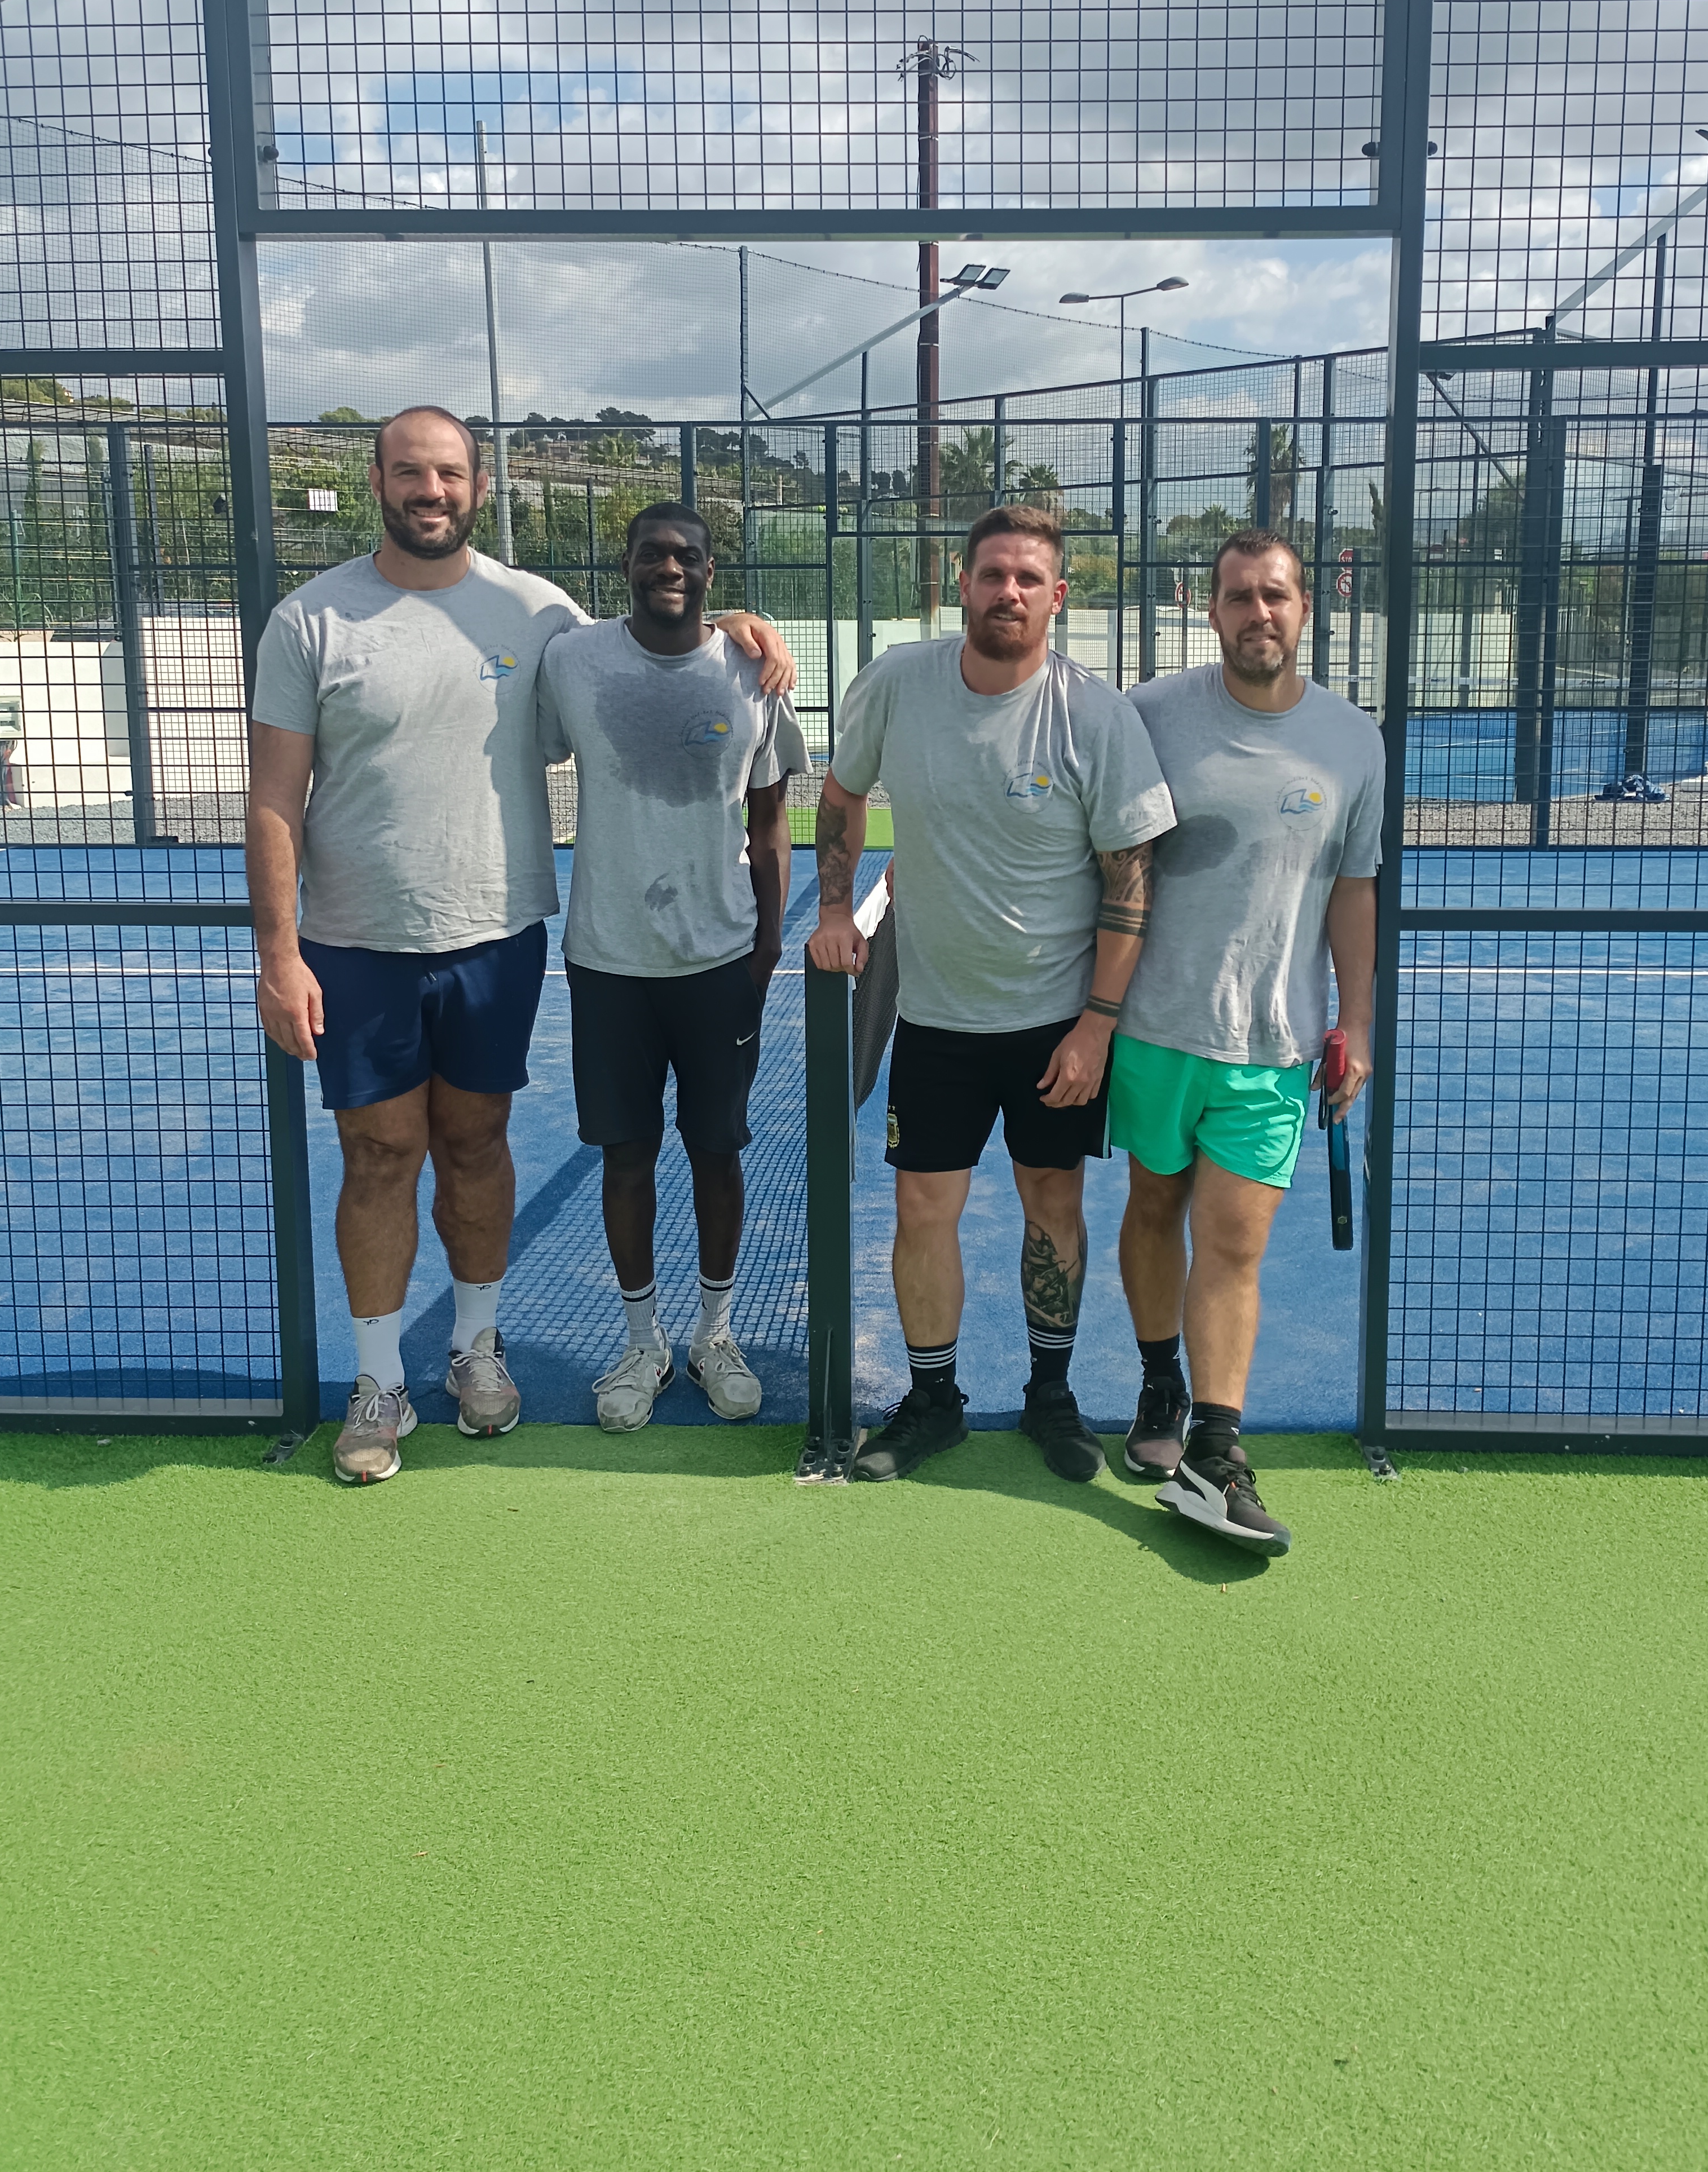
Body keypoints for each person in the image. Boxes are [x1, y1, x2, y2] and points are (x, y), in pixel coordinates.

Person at [247, 405, 793, 1486]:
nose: (431, 491)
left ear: (479, 486)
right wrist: (278, 951)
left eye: (449, 473)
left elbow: (661, 635)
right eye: (411, 473)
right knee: (379, 1155)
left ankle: (476, 1351)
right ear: (377, 482)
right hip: (356, 940)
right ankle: (377, 1384)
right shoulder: (310, 619)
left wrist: (744, 622)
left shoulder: (540, 613)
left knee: (477, 1144)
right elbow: (273, 796)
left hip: (496, 934)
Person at [809, 503, 1176, 1485]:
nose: (1008, 591)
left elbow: (1130, 879)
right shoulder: (898, 684)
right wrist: (836, 909)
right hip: (934, 1019)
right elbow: (840, 795)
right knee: (922, 1207)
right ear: (961, 585)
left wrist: (1096, 1027)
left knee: (1052, 1201)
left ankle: (1050, 1396)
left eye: (1028, 579)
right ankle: (933, 1401)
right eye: (992, 574)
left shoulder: (1094, 716)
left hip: (1055, 1026)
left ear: (1058, 597)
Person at [1113, 529, 1382, 1550]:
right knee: (1154, 1207)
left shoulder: (1353, 741)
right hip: (1153, 1028)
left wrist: (1356, 1022)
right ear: (1212, 609)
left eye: (1275, 595)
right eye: (1239, 596)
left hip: (1272, 1045)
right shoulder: (1150, 715)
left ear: (1305, 608)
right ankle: (1160, 1384)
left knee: (1234, 1242)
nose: (1257, 612)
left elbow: (1353, 889)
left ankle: (1216, 1451)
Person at [537, 501, 810, 1430]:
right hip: (608, 960)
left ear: (708, 569)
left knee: (717, 1152)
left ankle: (714, 1335)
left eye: (686, 556)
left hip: (719, 960)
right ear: (625, 564)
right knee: (627, 1156)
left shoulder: (753, 672)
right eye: (652, 553)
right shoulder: (573, 660)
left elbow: (771, 821)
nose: (669, 568)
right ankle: (641, 1343)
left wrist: (767, 945)